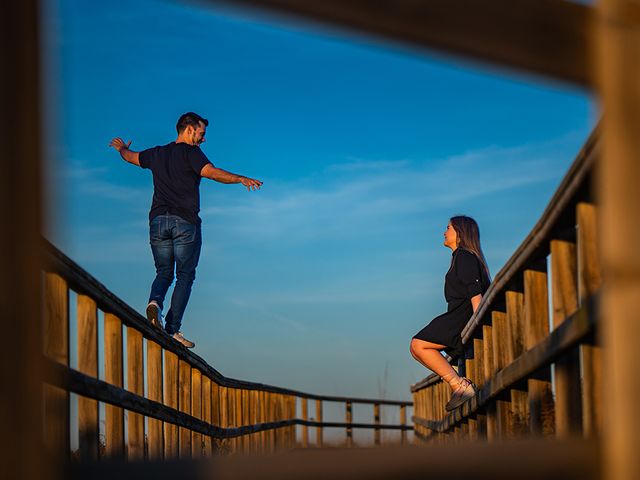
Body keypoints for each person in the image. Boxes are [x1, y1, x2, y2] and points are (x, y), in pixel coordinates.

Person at [109, 112, 262, 348]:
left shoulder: (157, 153)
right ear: (189, 129)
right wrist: (239, 178)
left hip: (158, 222)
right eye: (201, 134)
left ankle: (154, 303)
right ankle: (172, 329)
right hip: (184, 222)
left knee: (163, 272)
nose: (203, 140)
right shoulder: (192, 153)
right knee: (185, 275)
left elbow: (130, 157)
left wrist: (121, 148)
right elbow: (211, 172)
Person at [409, 216, 491, 411]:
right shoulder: (459, 257)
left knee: (418, 345)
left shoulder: (465, 256)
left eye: (448, 228)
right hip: (456, 314)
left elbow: (475, 293)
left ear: (460, 233)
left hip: (461, 316)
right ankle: (457, 381)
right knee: (416, 348)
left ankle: (460, 385)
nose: (444, 232)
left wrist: (478, 326)